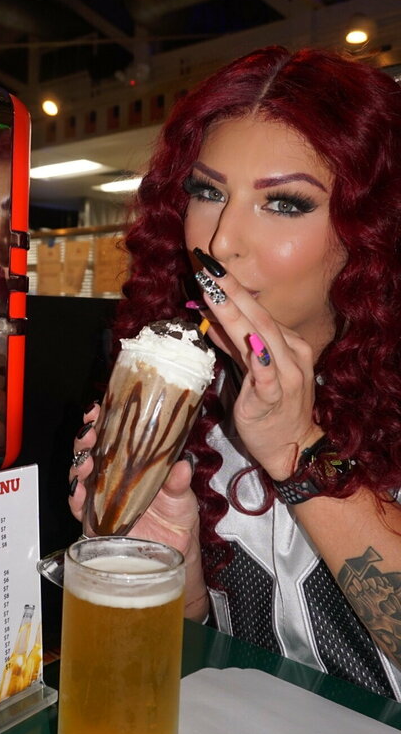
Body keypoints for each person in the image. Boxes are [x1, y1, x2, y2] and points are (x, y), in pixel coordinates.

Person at [69, 45, 401, 700]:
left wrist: (299, 451)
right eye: (208, 192)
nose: (221, 243)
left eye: (285, 204)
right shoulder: (193, 398)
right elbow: (199, 662)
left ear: (371, 231)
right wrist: (176, 572)